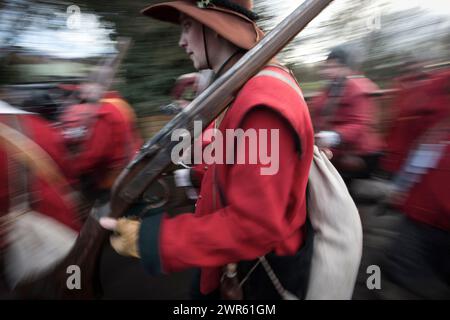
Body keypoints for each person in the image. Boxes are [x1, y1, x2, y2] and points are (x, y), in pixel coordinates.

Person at [100, 0, 315, 300]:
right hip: (229, 262)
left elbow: (255, 225)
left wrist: (152, 240)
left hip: (252, 279)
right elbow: (227, 153)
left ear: (215, 25)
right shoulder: (243, 87)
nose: (181, 40)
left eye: (187, 25)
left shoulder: (263, 99)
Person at [353, 69, 450, 299]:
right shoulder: (436, 88)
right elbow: (418, 136)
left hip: (423, 213)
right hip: (422, 212)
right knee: (383, 272)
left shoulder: (434, 89)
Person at [0, 100, 81, 297]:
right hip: (62, 222)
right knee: (73, 278)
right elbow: (68, 172)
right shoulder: (39, 123)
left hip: (14, 235)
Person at [60, 82, 143, 203]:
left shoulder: (102, 112)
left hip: (112, 181)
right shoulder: (119, 104)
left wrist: (71, 171)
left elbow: (95, 154)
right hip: (131, 168)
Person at [311, 46, 383, 183]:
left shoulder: (358, 88)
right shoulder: (330, 89)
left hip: (359, 152)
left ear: (346, 68)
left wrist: (335, 136)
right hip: (334, 150)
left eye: (334, 67)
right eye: (327, 67)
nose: (329, 71)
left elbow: (360, 124)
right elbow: (318, 111)